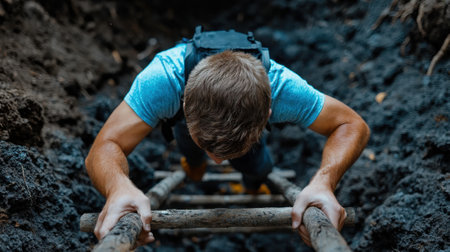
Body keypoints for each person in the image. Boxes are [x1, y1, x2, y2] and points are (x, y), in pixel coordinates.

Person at [85, 30, 370, 247]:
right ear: (184, 105)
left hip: (225, 126)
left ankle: (254, 180)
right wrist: (118, 188)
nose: (219, 161)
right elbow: (105, 145)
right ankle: (195, 168)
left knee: (256, 166)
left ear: (269, 112)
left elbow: (351, 124)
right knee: (194, 158)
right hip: (188, 124)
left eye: (226, 152)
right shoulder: (163, 82)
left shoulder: (283, 88)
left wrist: (324, 181)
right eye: (212, 149)